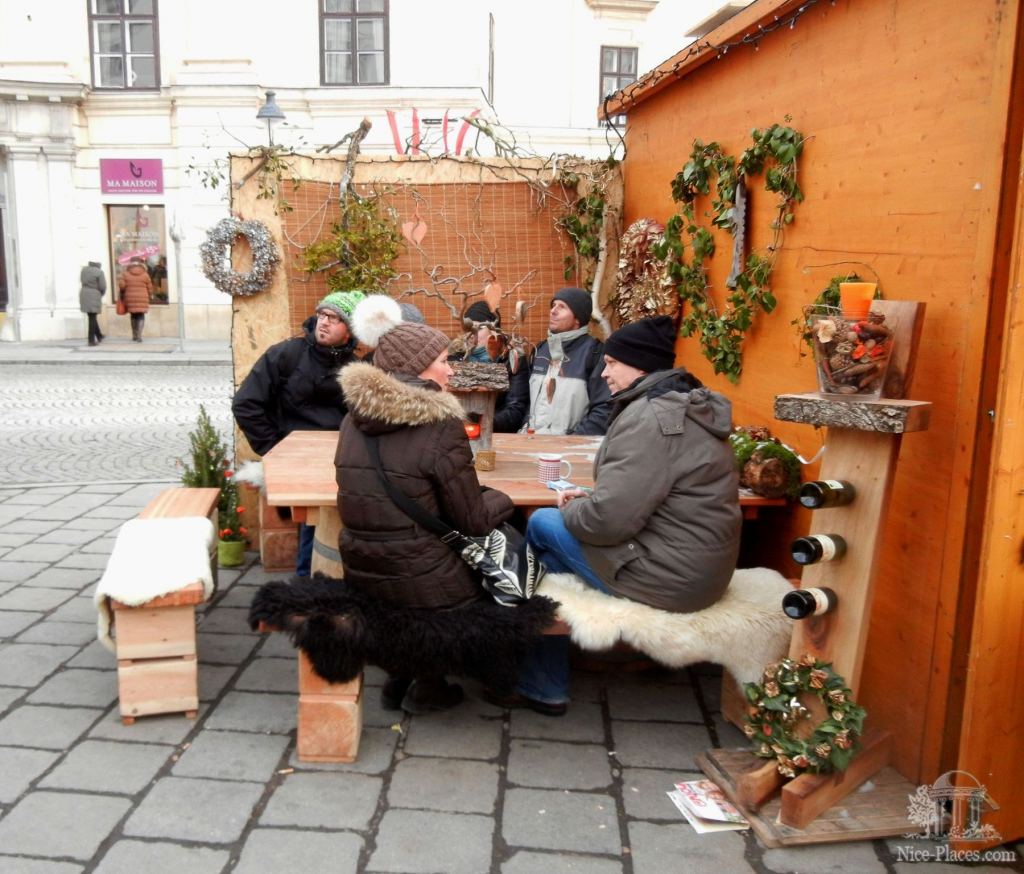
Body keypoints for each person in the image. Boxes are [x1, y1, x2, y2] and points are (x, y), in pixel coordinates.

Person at [489, 315, 742, 716]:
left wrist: (576, 506)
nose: (604, 373)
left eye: (612, 364)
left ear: (640, 367)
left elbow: (607, 523)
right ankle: (545, 675)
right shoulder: (685, 407)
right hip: (700, 571)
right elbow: (656, 495)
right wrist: (593, 497)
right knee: (552, 551)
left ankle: (542, 680)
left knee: (541, 523)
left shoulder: (650, 418)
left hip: (670, 580)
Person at [335, 295, 515, 714]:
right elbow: (472, 521)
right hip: (426, 577)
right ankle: (442, 683)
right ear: (418, 369)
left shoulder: (351, 419)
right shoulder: (440, 424)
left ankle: (401, 675)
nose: (451, 370)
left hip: (364, 569)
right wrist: (505, 500)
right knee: (506, 548)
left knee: (411, 547)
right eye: (443, 361)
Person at [233, 290, 366, 576]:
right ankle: (307, 583)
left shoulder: (358, 368)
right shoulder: (286, 355)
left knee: (337, 525)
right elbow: (246, 404)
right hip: (298, 461)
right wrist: (275, 450)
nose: (324, 322)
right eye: (322, 314)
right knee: (311, 527)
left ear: (350, 330)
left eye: (334, 318)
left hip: (341, 462)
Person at [524, 287, 611, 435]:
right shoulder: (540, 350)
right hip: (531, 442)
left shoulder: (595, 353)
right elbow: (527, 404)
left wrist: (574, 441)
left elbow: (604, 408)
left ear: (578, 318)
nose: (553, 311)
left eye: (562, 307)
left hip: (570, 447)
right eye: (553, 305)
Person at [448, 300, 530, 433]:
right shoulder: (454, 358)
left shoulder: (512, 360)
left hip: (497, 433)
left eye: (479, 328)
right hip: (457, 432)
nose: (472, 333)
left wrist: (483, 424)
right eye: (469, 327)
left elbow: (515, 409)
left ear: (494, 331)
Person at [118, 257, 152, 342]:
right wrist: (150, 295)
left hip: (130, 297)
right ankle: (139, 336)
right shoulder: (145, 274)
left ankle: (134, 335)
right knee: (141, 316)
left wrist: (122, 284)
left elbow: (122, 286)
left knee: (133, 316)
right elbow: (150, 288)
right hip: (143, 298)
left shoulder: (125, 273)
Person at [79, 261, 106, 346]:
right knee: (92, 317)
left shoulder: (83, 270)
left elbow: (81, 281)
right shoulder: (99, 272)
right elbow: (103, 286)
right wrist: (100, 294)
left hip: (84, 293)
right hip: (94, 294)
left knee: (91, 316)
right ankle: (91, 340)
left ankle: (99, 335)